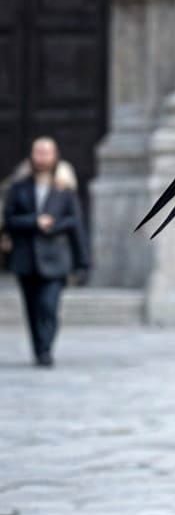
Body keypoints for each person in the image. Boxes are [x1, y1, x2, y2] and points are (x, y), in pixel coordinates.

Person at [3, 137, 89, 367]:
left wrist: (83, 262)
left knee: (48, 307)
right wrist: (35, 221)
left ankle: (46, 348)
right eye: (38, 151)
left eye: (46, 152)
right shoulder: (18, 187)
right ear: (31, 155)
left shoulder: (64, 190)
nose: (41, 156)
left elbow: (75, 224)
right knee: (31, 309)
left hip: (56, 259)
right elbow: (8, 221)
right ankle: (39, 349)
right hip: (26, 259)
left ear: (55, 155)